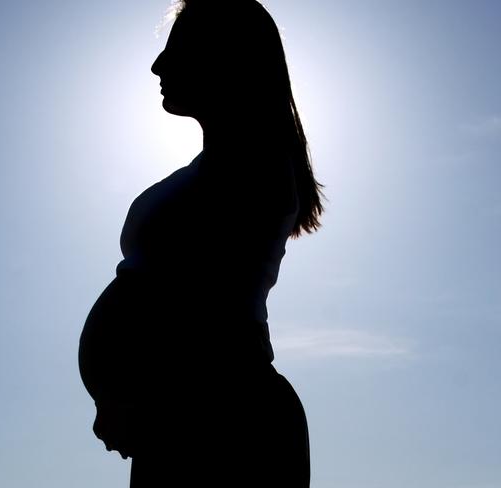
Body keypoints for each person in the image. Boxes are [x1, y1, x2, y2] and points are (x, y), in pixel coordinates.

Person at [78, 0, 324, 486]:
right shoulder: (212, 172)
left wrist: (135, 394)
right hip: (177, 416)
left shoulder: (255, 171)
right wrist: (117, 396)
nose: (157, 66)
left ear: (222, 58)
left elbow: (200, 304)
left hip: (222, 419)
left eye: (174, 50)